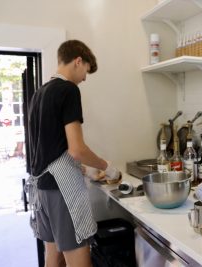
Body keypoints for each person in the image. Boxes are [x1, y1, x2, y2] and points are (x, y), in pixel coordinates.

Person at [26, 39, 121, 267]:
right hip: (62, 192)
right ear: (78, 61)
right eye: (86, 70)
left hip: (41, 190)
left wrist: (85, 170)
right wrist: (106, 166)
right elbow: (76, 149)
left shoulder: (40, 93)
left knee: (53, 259)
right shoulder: (68, 90)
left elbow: (50, 147)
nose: (85, 78)